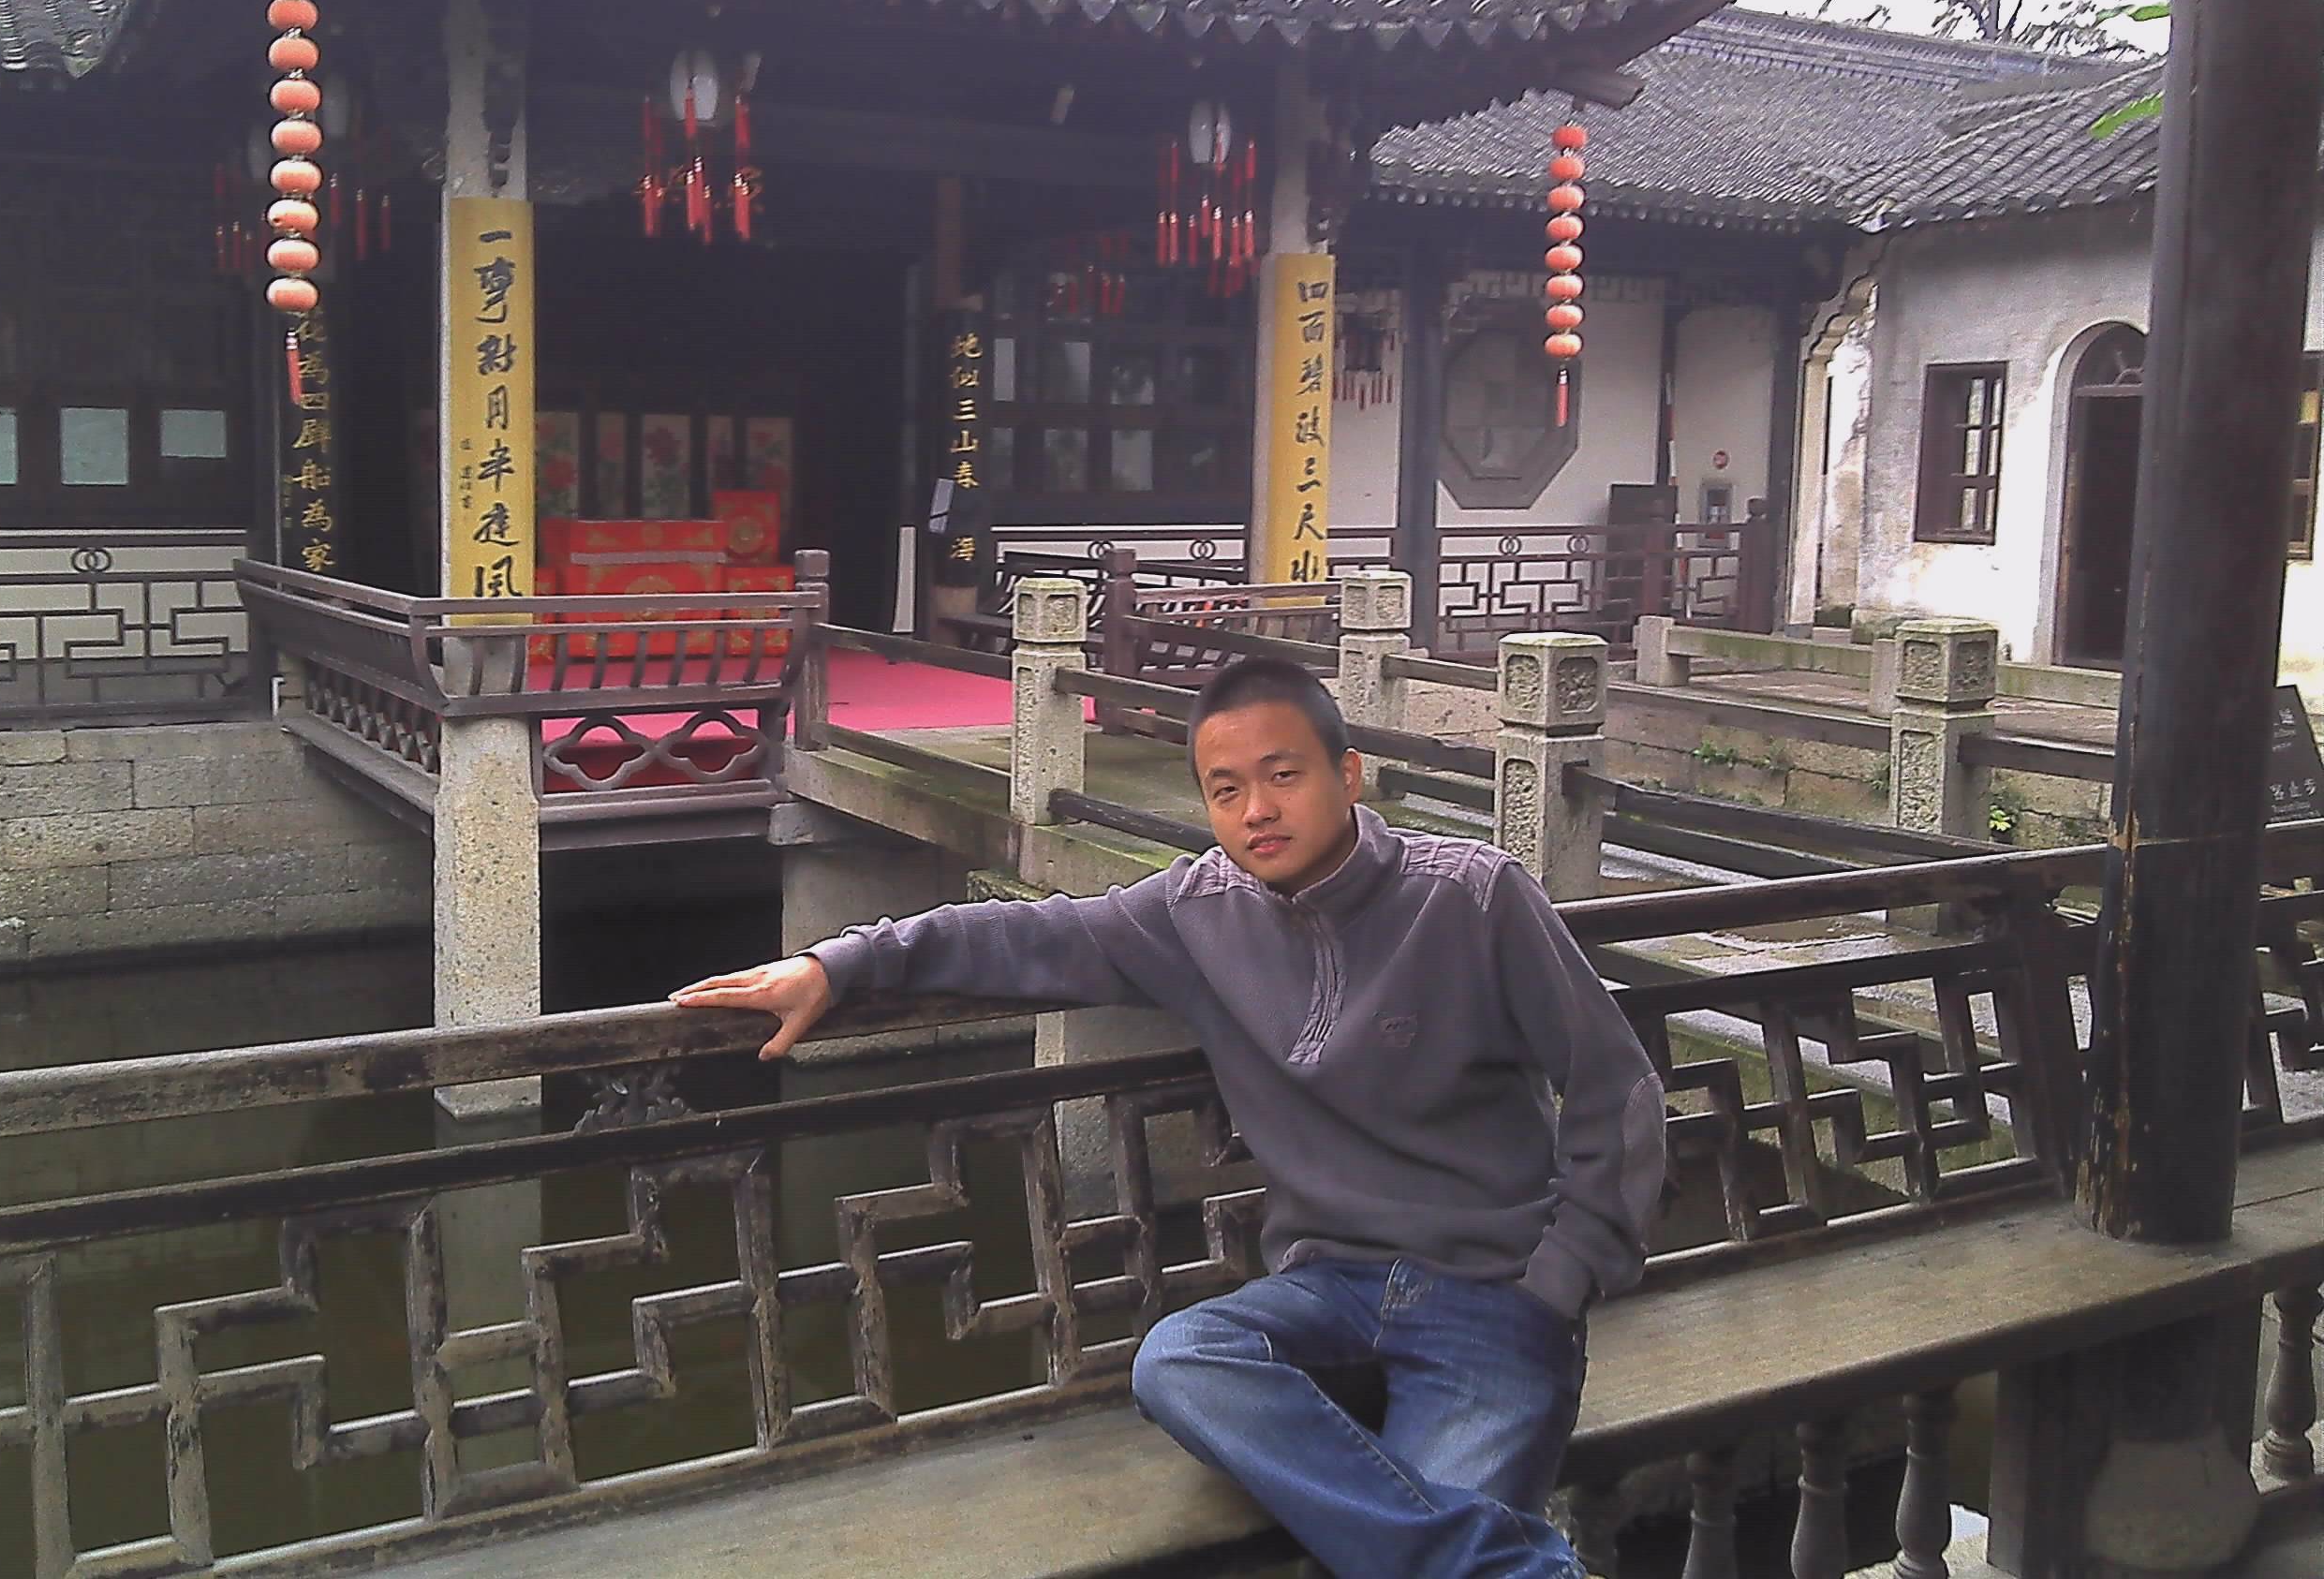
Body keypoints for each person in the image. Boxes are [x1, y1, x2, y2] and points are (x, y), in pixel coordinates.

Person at [671, 657, 1665, 1578]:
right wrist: (840, 963)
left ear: (1350, 774)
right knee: (1180, 1360)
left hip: (1490, 1295)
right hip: (1328, 1288)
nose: (1256, 810)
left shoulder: (1473, 898)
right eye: (1225, 791)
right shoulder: (1196, 913)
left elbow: (1614, 1087)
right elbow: (1026, 935)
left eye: (1283, 776)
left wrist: (1559, 1282)